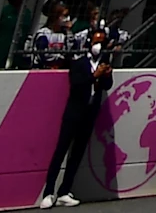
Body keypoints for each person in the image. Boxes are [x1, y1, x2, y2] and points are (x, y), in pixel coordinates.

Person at [42, 31, 111, 207]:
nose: (99, 46)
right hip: (74, 113)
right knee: (61, 150)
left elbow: (107, 86)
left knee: (77, 154)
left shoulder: (103, 63)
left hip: (89, 114)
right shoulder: (79, 63)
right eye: (96, 42)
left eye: (102, 42)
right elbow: (77, 83)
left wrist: (106, 74)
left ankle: (65, 190)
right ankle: (49, 191)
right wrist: (94, 76)